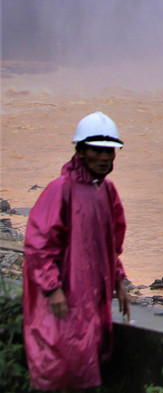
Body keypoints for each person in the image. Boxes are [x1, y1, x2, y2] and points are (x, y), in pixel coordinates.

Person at [22, 111, 131, 391]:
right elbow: (38, 245)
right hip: (65, 293)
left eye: (110, 151)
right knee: (61, 362)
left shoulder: (107, 191)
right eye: (97, 150)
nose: (105, 158)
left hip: (93, 294)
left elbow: (112, 244)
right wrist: (52, 289)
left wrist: (119, 281)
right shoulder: (60, 190)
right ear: (80, 151)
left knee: (87, 356)